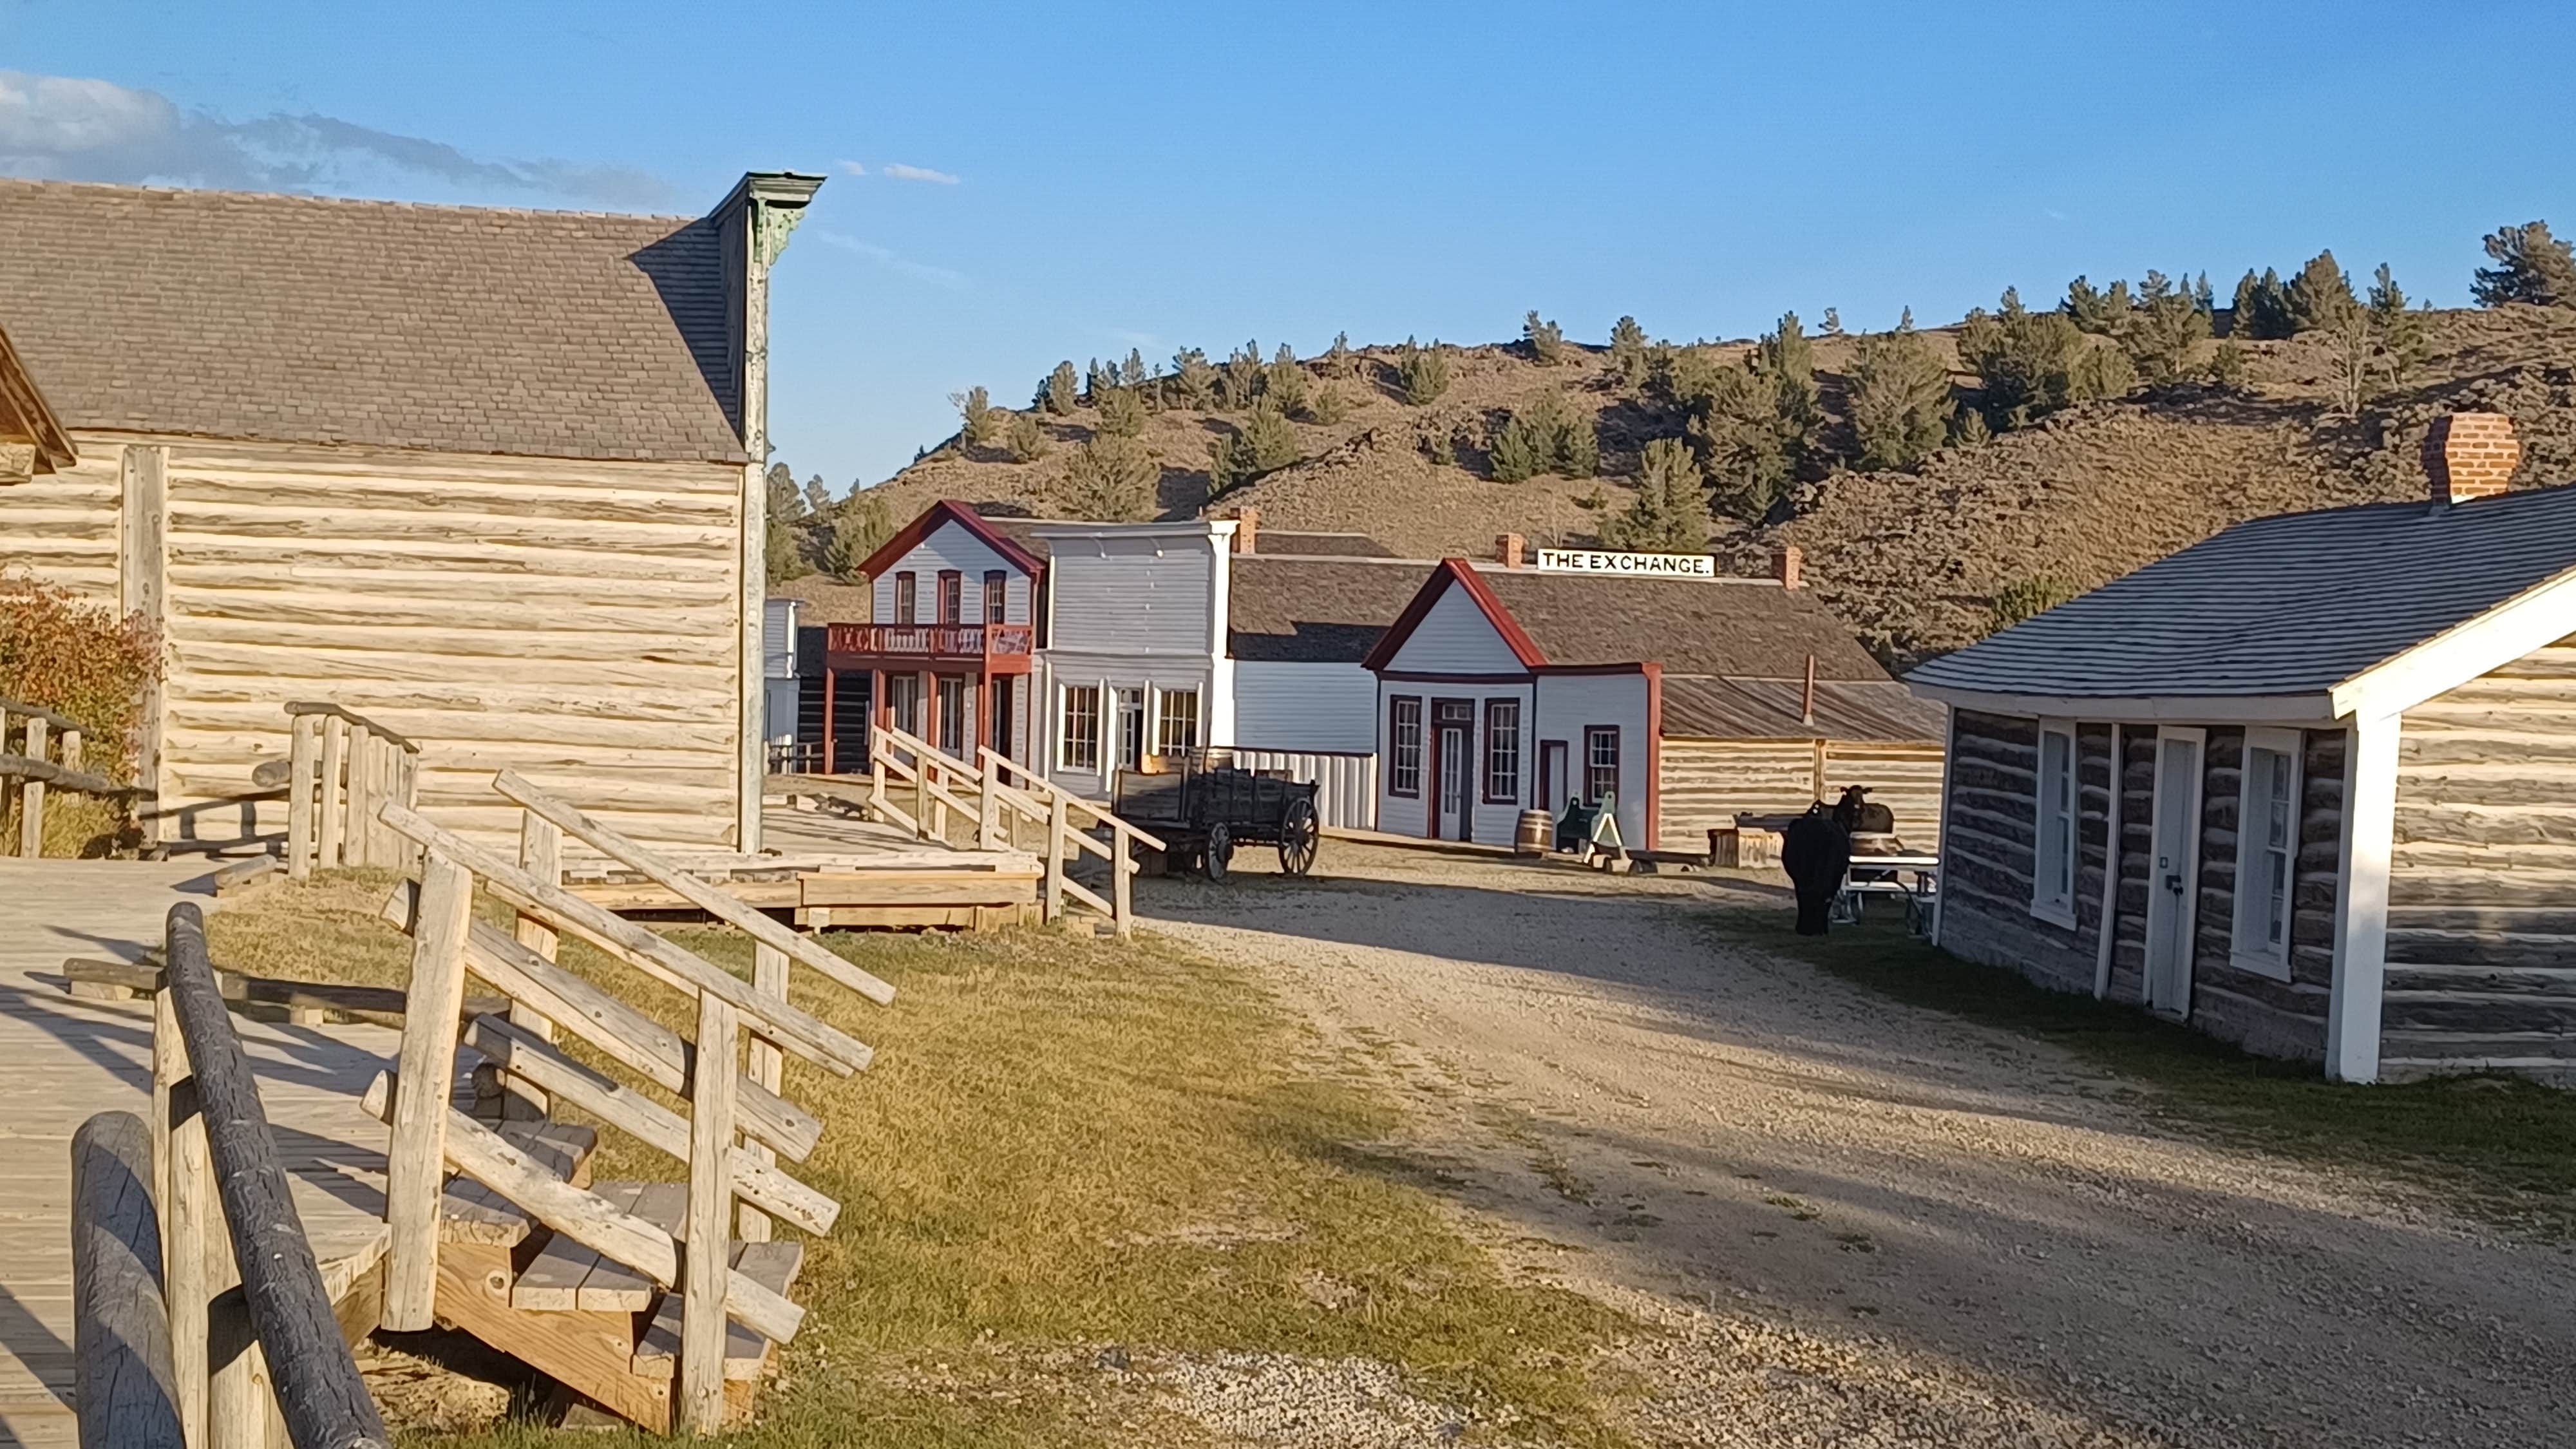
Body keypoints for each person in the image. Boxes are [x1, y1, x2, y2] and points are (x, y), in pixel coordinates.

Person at [1781, 801, 1852, 936]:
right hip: (1828, 860)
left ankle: (1806, 924)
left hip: (1805, 867)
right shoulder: (1836, 833)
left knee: (1806, 889)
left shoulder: (1800, 831)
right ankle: (1819, 924)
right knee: (1822, 888)